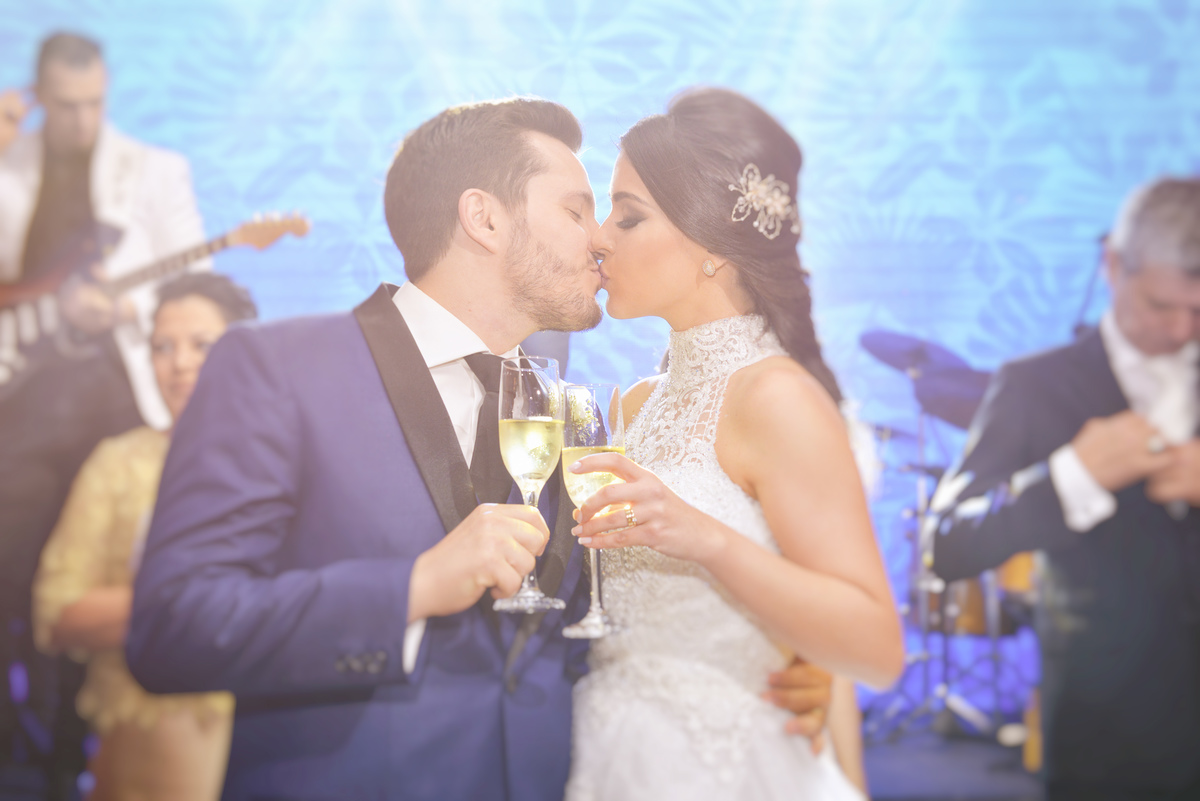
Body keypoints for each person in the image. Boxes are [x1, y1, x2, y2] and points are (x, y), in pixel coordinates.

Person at [125, 97, 833, 801]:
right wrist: (413, 588)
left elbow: (582, 631)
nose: (599, 240)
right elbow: (171, 628)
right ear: (484, 218)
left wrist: (759, 663)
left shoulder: (573, 411)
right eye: (576, 211)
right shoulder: (278, 369)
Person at [564, 87, 903, 800]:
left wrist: (708, 540)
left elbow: (876, 648)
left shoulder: (777, 399)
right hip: (614, 757)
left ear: (713, 245)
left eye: (628, 216)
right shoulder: (634, 404)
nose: (599, 237)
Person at [928, 177, 1200, 800]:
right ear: (1114, 265)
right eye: (1162, 305)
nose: (1183, 329)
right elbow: (948, 542)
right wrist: (1069, 477)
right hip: (1106, 737)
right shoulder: (1033, 385)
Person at [0, 31, 208, 796]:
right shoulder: (9, 164)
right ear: (37, 96)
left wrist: (124, 306)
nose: (82, 120)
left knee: (110, 581)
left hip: (116, 408)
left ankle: (82, 754)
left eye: (93, 104)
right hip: (19, 412)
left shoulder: (153, 170)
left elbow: (196, 280)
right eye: (65, 106)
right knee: (16, 580)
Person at [32, 273, 255, 801]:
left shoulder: (284, 464)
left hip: (286, 742)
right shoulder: (120, 461)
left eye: (202, 344)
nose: (180, 363)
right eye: (162, 347)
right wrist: (198, 601)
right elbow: (57, 611)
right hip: (147, 744)